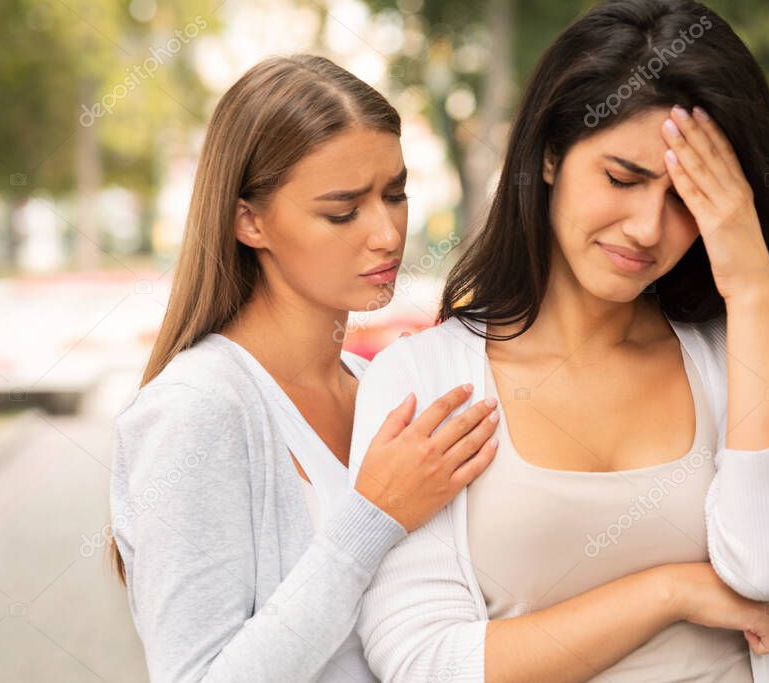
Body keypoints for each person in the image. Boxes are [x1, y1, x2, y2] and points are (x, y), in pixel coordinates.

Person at [348, 1, 769, 681]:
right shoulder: (423, 379)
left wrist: (752, 287)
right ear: (550, 155)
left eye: (689, 199)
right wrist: (672, 591)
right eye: (621, 178)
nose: (645, 227)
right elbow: (423, 660)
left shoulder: (745, 353)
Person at [108, 54, 500, 682]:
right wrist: (374, 517)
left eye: (395, 194)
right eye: (343, 211)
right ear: (250, 221)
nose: (387, 234)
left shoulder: (379, 387)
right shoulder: (198, 409)